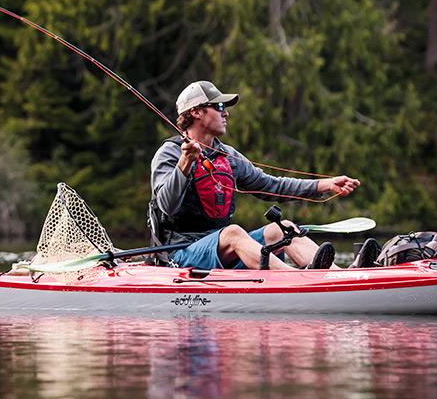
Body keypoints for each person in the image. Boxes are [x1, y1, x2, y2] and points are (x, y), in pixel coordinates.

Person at [149, 80, 361, 270]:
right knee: (233, 233)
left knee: (284, 228)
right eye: (219, 106)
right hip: (179, 254)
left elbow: (273, 186)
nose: (226, 113)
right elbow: (166, 205)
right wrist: (185, 162)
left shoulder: (229, 156)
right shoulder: (169, 153)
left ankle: (340, 276)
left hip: (219, 249)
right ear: (196, 112)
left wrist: (325, 185)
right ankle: (295, 281)